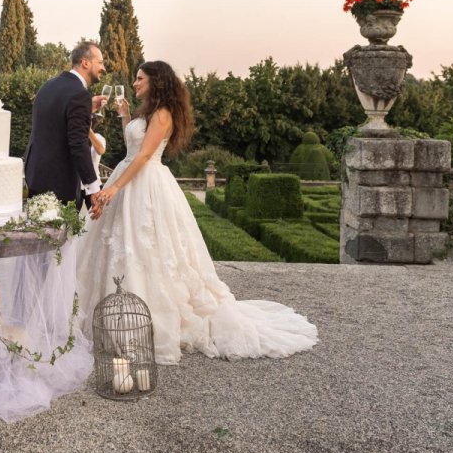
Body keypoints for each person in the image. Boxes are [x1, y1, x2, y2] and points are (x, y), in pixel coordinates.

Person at [78, 61, 318, 364]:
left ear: (156, 82)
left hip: (145, 182)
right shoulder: (146, 112)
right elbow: (132, 145)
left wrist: (114, 189)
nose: (135, 83)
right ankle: (116, 312)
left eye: (140, 79)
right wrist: (125, 114)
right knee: (120, 246)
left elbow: (143, 156)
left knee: (147, 247)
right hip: (129, 175)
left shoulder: (163, 114)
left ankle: (148, 318)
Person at [24, 41, 107, 207]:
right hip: (60, 184)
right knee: (60, 233)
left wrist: (87, 110)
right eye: (100, 62)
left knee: (38, 231)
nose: (103, 68)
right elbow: (78, 144)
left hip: (35, 177)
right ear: (85, 62)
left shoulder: (47, 86)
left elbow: (55, 124)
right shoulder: (80, 94)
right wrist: (93, 189)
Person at [83, 117, 107, 211]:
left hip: (94, 183)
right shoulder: (75, 136)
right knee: (67, 219)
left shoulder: (98, 137)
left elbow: (101, 150)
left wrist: (88, 131)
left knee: (96, 216)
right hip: (75, 184)